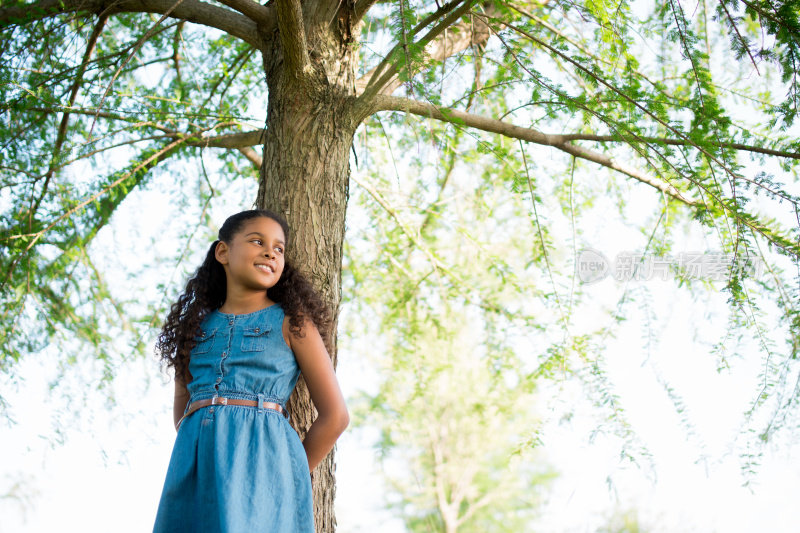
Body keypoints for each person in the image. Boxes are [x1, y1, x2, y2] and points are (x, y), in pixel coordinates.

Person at [152, 208, 349, 532]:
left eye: (279, 248)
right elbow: (183, 416)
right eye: (257, 241)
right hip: (196, 472)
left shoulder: (294, 324)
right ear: (223, 251)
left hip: (267, 473)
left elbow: (336, 416)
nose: (270, 251)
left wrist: (288, 473)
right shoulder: (192, 329)